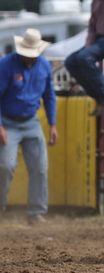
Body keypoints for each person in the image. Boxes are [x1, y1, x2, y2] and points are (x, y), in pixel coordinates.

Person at [0, 29, 58, 224]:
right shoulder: (6, 65)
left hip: (31, 122)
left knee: (40, 168)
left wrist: (52, 124)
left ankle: (36, 212)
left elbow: (49, 95)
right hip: (7, 122)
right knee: (6, 166)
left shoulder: (44, 67)